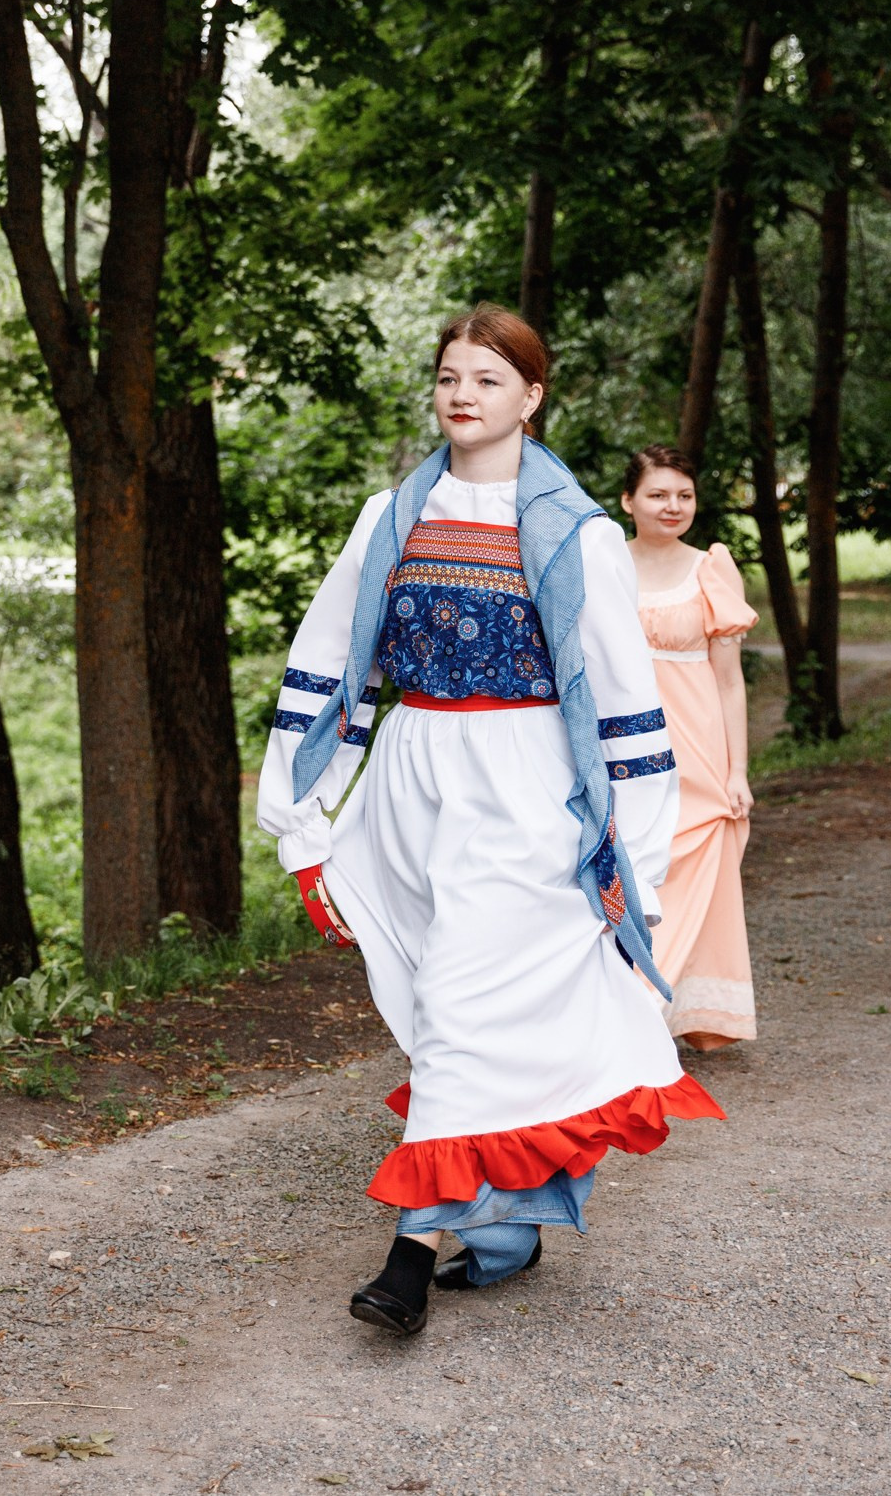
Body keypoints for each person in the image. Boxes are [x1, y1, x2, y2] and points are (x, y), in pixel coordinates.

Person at [258, 304, 719, 1338]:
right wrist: (305, 824)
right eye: (447, 375)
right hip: (408, 786)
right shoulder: (392, 518)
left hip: (523, 794)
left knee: (465, 1008)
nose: (461, 393)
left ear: (532, 396)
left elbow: (621, 703)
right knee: (440, 1014)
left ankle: (407, 1261)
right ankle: (505, 1232)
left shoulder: (581, 537)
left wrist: (630, 860)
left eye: (488, 377)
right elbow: (326, 661)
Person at [619, 445, 756, 1050]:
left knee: (694, 877)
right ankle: (624, 1004)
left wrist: (738, 770)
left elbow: (729, 680)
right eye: (658, 494)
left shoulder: (711, 567)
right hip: (621, 746)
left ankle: (657, 1011)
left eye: (684, 495)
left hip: (696, 750)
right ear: (628, 502)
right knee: (632, 874)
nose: (672, 506)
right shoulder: (604, 564)